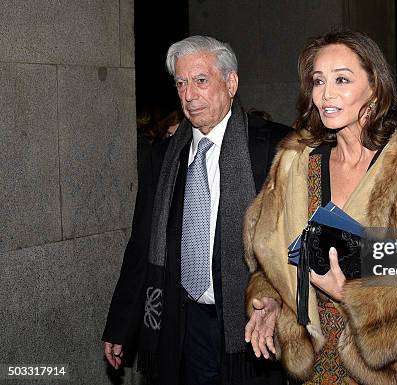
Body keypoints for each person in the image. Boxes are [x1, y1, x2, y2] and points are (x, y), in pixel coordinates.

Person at [243, 30, 397, 385]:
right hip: (311, 364)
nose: (325, 94)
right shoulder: (300, 163)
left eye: (341, 79)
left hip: (385, 370)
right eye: (318, 81)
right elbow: (271, 251)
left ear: (374, 88)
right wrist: (270, 299)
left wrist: (349, 294)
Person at [102, 35, 291, 385]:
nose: (189, 95)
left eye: (201, 81)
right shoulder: (164, 157)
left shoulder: (274, 149)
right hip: (184, 321)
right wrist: (121, 324)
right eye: (181, 83)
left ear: (230, 83)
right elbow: (143, 245)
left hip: (251, 323)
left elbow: (296, 242)